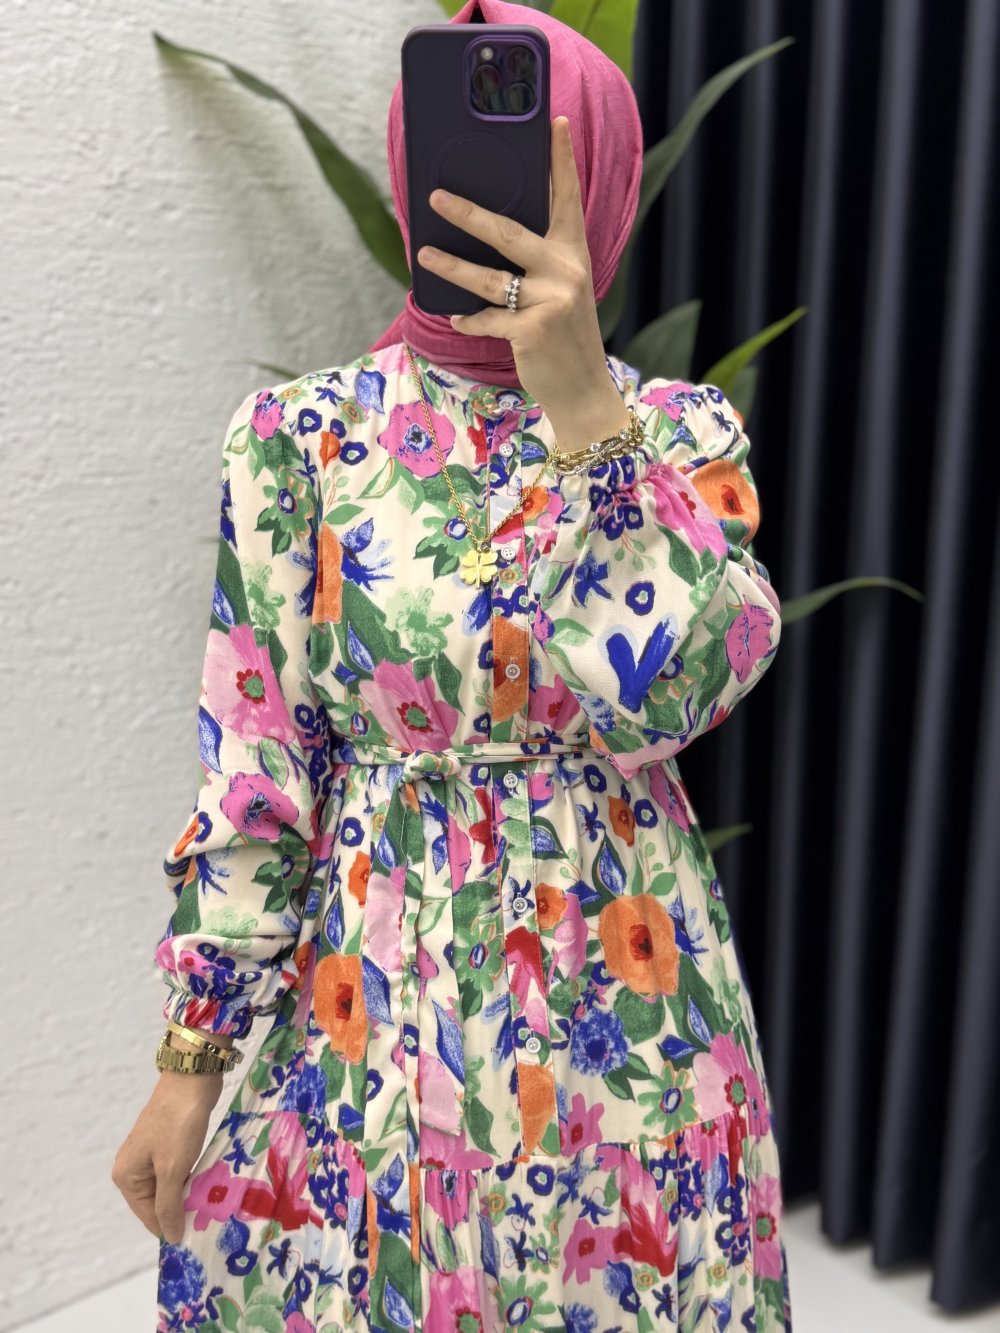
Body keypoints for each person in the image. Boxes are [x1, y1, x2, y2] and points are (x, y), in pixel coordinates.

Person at [113, 2, 793, 1328]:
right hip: (372, 1003)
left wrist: (586, 411)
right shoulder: (297, 440)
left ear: (602, 183)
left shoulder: (678, 433)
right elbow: (257, 764)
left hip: (627, 1014)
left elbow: (685, 693)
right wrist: (191, 1058)